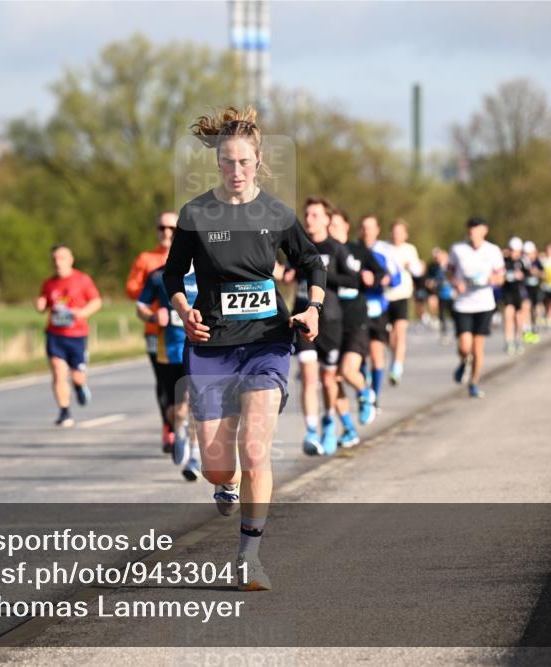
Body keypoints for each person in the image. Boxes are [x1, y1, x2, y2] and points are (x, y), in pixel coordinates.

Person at [163, 107, 325, 591]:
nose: (237, 171)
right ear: (218, 163)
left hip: (266, 341)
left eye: (245, 162)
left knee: (256, 447)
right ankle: (227, 484)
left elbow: (312, 262)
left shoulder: (276, 213)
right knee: (217, 467)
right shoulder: (196, 214)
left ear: (258, 162)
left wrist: (313, 308)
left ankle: (248, 556)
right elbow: (173, 274)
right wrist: (183, 309)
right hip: (211, 344)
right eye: (228, 162)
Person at [285, 197, 361, 456]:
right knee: (308, 377)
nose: (309, 219)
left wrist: (325, 274)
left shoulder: (336, 248)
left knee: (329, 379)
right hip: (303, 319)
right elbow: (287, 273)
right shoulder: (297, 246)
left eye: (315, 215)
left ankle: (329, 422)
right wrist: (288, 274)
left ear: (328, 219)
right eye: (306, 214)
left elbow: (354, 280)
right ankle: (311, 432)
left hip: (330, 320)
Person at [136, 263, 201, 480]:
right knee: (174, 412)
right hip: (170, 351)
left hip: (199, 348)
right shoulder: (159, 275)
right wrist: (153, 317)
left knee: (192, 404)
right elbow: (141, 306)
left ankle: (194, 457)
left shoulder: (209, 267)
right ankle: (179, 430)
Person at [126, 212, 179, 452]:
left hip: (186, 331)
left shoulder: (192, 257)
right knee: (164, 380)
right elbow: (133, 291)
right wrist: (157, 295)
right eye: (162, 228)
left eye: (172, 228)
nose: (166, 232)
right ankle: (169, 426)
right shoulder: (146, 260)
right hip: (156, 331)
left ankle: (188, 428)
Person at [329, 209, 382, 440]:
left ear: (346, 226)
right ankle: (348, 429)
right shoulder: (322, 253)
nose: (331, 229)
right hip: (331, 323)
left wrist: (373, 278)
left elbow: (380, 273)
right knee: (332, 379)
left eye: (335, 224)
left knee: (348, 371)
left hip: (356, 319)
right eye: (329, 225)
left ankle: (365, 393)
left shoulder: (359, 250)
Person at [36, 245, 102, 427]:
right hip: (55, 335)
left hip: (77, 335)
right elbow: (43, 303)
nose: (58, 262)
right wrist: (39, 304)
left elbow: (96, 301)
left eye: (62, 258)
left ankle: (80, 386)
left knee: (77, 377)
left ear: (71, 259)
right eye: (55, 259)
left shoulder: (82, 279)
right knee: (58, 373)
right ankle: (64, 411)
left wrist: (82, 313)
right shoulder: (49, 283)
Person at [448, 217, 504, 398]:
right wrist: (456, 283)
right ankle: (464, 362)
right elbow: (449, 272)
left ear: (484, 231)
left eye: (476, 228)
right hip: (463, 304)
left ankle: (474, 382)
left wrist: (488, 280)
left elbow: (500, 277)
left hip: (484, 303)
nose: (472, 232)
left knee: (477, 348)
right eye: (470, 228)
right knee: (465, 346)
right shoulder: (457, 249)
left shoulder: (492, 250)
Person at [356, 216, 398, 410]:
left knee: (376, 354)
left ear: (377, 230)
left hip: (378, 308)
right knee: (359, 355)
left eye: (370, 228)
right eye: (364, 228)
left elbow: (396, 277)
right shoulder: (353, 250)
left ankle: (375, 397)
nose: (367, 232)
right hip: (357, 308)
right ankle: (364, 391)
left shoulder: (385, 251)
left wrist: (382, 279)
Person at [383, 219, 423, 385]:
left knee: (400, 333)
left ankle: (397, 368)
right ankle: (395, 357)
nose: (396, 235)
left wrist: (410, 265)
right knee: (389, 337)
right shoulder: (383, 247)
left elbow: (418, 271)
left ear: (406, 235)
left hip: (402, 296)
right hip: (385, 297)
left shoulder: (410, 249)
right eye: (394, 232)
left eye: (400, 232)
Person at [501, 237, 527, 355]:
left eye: (515, 250)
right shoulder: (504, 261)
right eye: (511, 250)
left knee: (518, 317)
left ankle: (519, 339)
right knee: (508, 315)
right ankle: (509, 341)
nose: (513, 252)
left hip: (519, 292)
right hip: (508, 292)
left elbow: (528, 275)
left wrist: (522, 275)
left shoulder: (522, 262)